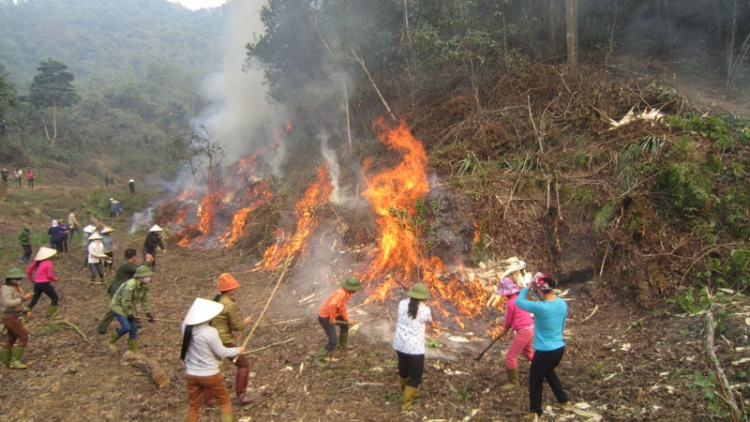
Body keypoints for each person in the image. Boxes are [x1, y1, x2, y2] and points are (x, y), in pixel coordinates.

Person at [515, 273, 572, 420]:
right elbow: (563, 324)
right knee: (549, 372)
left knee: (534, 380)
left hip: (544, 351)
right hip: (559, 348)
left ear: (540, 291)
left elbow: (519, 302)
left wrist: (526, 288)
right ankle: (564, 400)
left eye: (536, 290)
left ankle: (535, 411)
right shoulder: (562, 303)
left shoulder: (541, 307)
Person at [181, 298, 245, 422]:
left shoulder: (185, 327)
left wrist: (230, 336)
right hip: (210, 374)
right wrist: (238, 350)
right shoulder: (210, 332)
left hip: (191, 373)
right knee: (224, 402)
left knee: (193, 406)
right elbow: (221, 352)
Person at [205, 273, 254, 406]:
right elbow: (235, 325)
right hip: (221, 340)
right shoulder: (229, 304)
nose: (236, 289)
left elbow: (220, 322)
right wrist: (246, 322)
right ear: (229, 289)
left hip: (214, 336)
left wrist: (232, 336)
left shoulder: (219, 298)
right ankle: (241, 397)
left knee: (210, 366)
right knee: (243, 364)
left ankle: (208, 400)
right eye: (234, 287)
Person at [392, 283, 432, 411]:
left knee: (404, 371)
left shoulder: (402, 304)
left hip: (400, 344)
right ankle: (406, 405)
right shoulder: (425, 310)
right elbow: (429, 320)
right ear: (423, 297)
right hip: (415, 349)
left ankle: (405, 392)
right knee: (415, 376)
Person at [96, 249, 153, 334]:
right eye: (136, 256)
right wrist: (148, 261)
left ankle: (138, 326)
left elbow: (139, 269)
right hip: (117, 290)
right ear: (134, 257)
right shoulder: (126, 265)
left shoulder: (126, 263)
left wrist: (148, 262)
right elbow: (139, 270)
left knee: (131, 306)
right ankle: (101, 328)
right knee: (115, 309)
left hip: (123, 289)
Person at [493, 277, 535, 391]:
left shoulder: (511, 303)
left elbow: (508, 319)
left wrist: (505, 329)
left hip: (524, 332)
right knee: (528, 353)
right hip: (531, 329)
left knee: (510, 356)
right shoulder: (520, 299)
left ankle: (513, 382)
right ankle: (545, 371)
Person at [313, 276, 361, 367]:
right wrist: (332, 318)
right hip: (325, 317)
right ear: (352, 289)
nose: (356, 291)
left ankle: (343, 344)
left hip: (333, 315)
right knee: (333, 341)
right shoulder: (341, 294)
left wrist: (346, 318)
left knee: (345, 326)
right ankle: (318, 359)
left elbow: (341, 307)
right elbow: (332, 304)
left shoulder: (346, 293)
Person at [108, 265, 155, 353]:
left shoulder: (145, 285)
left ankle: (133, 351)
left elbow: (145, 300)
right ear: (141, 277)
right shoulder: (130, 285)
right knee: (126, 327)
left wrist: (147, 313)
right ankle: (111, 341)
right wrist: (129, 313)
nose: (149, 278)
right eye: (147, 276)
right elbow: (125, 301)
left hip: (129, 307)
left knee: (134, 329)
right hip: (118, 306)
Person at [1, 268, 34, 369]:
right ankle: (15, 361)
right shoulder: (6, 288)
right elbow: (8, 303)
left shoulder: (15, 288)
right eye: (18, 278)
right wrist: (23, 298)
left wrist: (26, 311)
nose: (20, 280)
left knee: (11, 339)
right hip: (9, 317)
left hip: (14, 316)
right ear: (11, 279)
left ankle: (5, 363)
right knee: (24, 336)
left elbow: (18, 305)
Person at [26, 247, 59, 319]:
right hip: (44, 284)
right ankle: (52, 316)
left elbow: (28, 270)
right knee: (54, 297)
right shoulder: (48, 263)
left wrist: (31, 279)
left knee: (34, 299)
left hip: (37, 284)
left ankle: (25, 314)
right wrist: (55, 279)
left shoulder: (36, 262)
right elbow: (49, 275)